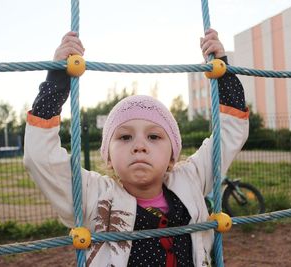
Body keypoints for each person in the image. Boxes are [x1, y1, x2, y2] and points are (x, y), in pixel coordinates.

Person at [24, 29, 249, 267]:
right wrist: (58, 80)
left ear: (172, 157)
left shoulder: (191, 180)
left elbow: (231, 131)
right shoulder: (95, 197)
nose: (139, 146)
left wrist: (223, 70)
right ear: (108, 157)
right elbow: (41, 157)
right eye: (124, 137)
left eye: (153, 137)